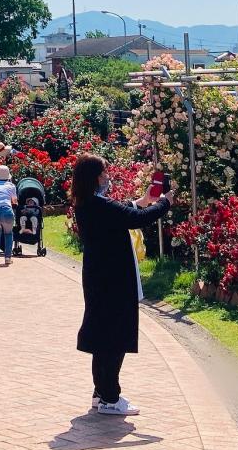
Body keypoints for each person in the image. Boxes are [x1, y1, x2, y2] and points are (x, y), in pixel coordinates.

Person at [72, 153, 170, 415]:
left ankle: (101, 392)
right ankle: (110, 397)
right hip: (113, 281)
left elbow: (124, 211)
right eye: (104, 174)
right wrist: (163, 203)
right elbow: (134, 218)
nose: (107, 178)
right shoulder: (99, 206)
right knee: (114, 338)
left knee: (102, 337)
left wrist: (144, 200)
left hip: (99, 278)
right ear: (94, 178)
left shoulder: (88, 204)